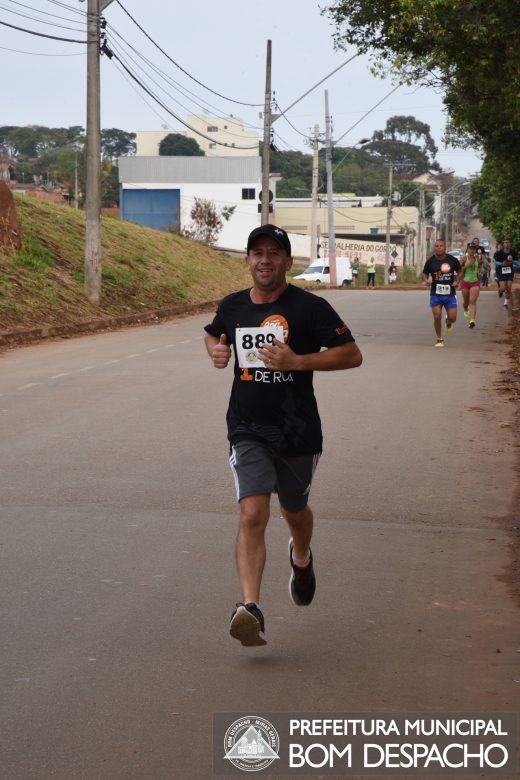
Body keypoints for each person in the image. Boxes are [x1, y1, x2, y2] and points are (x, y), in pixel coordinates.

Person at [204, 224, 362, 647]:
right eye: (258, 253)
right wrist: (217, 353)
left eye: (274, 253)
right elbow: (214, 333)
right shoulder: (233, 306)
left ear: (288, 262)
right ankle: (250, 608)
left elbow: (352, 355)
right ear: (247, 261)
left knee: (295, 512)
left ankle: (301, 556)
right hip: (247, 427)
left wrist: (298, 361)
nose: (265, 260)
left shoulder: (310, 308)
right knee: (252, 514)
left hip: (298, 431)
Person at [422, 238, 461, 347]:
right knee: (437, 316)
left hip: (450, 293)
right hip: (436, 293)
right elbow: (424, 273)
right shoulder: (430, 261)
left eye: (441, 246)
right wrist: (427, 280)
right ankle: (439, 339)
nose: (438, 248)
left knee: (453, 318)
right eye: (436, 246)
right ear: (434, 248)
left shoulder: (452, 260)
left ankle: (448, 321)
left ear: (445, 247)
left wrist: (457, 281)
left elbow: (460, 270)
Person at [459, 245, 481, 328]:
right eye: (470, 249)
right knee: (466, 302)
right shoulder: (464, 258)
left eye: (473, 249)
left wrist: (481, 271)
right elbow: (459, 269)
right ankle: (465, 308)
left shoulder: (477, 258)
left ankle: (472, 321)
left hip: (475, 282)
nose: (472, 250)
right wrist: (466, 266)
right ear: (467, 250)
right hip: (465, 282)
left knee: (472, 301)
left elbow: (480, 268)